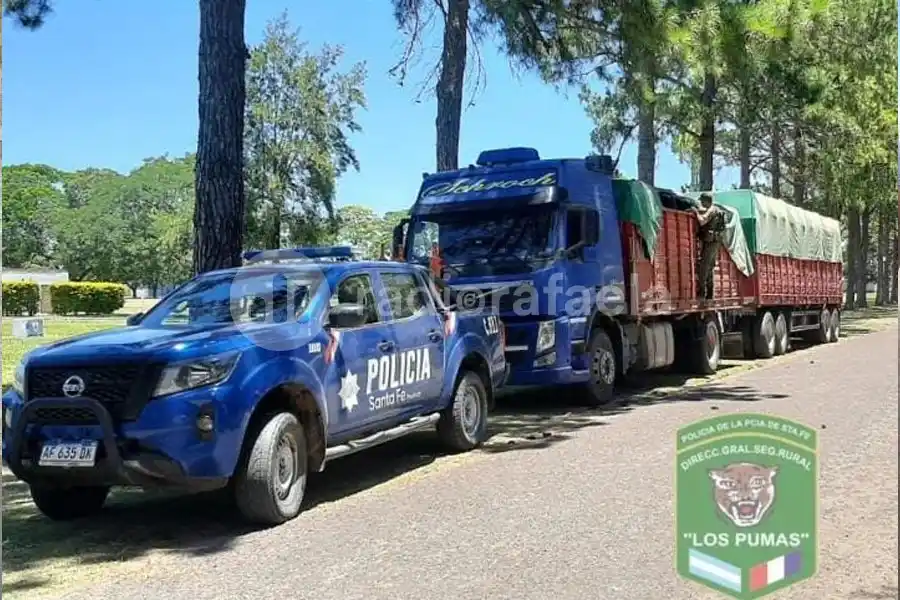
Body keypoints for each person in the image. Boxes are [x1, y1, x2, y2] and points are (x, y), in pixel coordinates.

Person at [692, 193, 726, 300]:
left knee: (703, 267)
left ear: (706, 201)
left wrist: (695, 212)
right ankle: (710, 294)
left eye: (702, 201)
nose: (701, 203)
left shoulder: (712, 210)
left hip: (711, 242)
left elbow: (702, 221)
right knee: (709, 268)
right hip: (713, 242)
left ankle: (702, 293)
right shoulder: (715, 209)